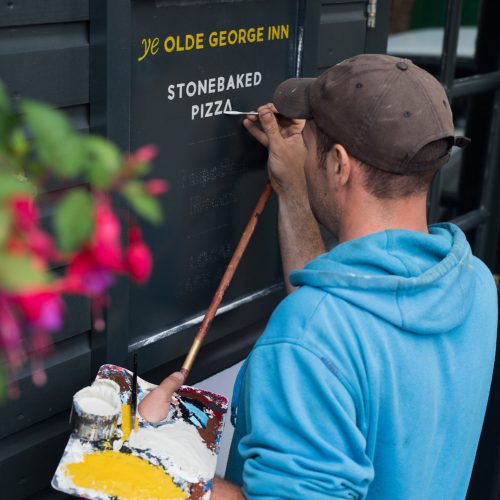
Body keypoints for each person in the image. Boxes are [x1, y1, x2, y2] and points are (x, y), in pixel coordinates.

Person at [140, 54, 498, 499]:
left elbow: (325, 337)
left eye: (308, 143)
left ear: (339, 165)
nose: (304, 153)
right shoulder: (474, 283)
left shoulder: (309, 338)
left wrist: (156, 459)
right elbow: (340, 306)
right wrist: (294, 190)